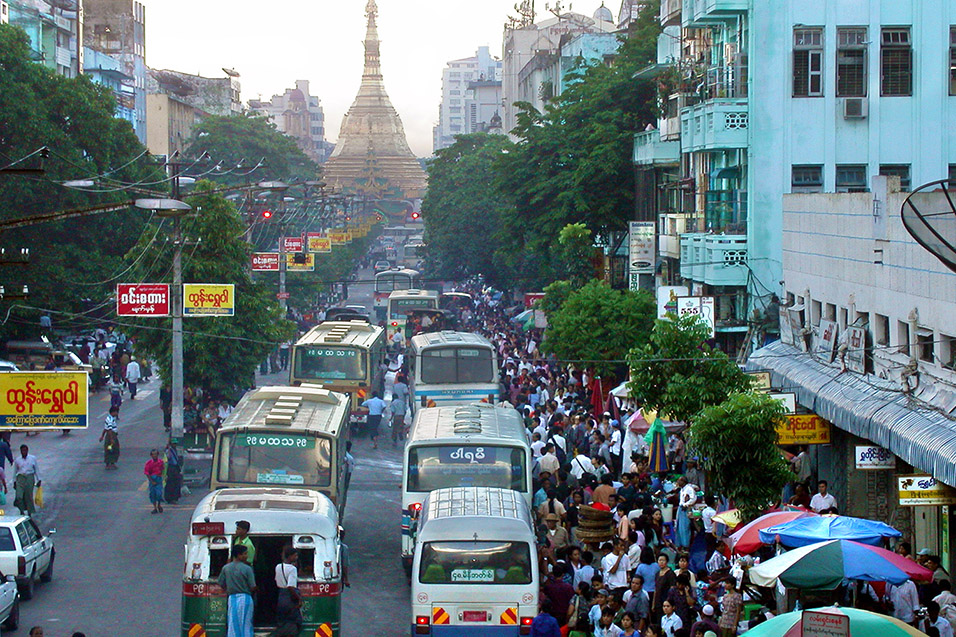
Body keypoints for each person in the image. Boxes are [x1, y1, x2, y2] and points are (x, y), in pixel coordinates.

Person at [218, 544, 257, 637]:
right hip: (245, 598)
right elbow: (253, 586)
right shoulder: (247, 568)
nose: (246, 556)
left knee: (233, 622)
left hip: (232, 598)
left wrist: (228, 589)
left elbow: (221, 583)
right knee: (246, 623)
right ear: (238, 555)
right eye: (244, 554)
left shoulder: (226, 568)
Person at [274, 546, 302, 636]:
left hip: (281, 595)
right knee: (293, 621)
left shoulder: (278, 566)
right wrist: (299, 599)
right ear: (289, 556)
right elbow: (290, 586)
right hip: (289, 597)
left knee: (282, 621)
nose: (296, 558)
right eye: (295, 556)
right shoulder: (292, 569)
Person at [13, 445, 40, 517]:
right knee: (19, 496)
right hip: (20, 478)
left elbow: (36, 469)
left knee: (28, 496)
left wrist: (39, 479)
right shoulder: (18, 460)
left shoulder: (32, 458)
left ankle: (29, 512)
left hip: (29, 477)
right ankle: (21, 510)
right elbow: (15, 471)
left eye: (25, 450)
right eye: (22, 451)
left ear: (27, 451)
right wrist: (14, 481)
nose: (23, 452)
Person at [144, 449, 164, 513]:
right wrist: (151, 481)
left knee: (159, 493)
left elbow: (163, 469)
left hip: (159, 479)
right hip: (152, 479)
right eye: (153, 454)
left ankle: (159, 505)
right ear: (151, 455)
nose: (155, 456)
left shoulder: (161, 462)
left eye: (156, 454)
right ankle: (155, 507)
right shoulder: (149, 463)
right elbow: (147, 473)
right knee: (153, 494)